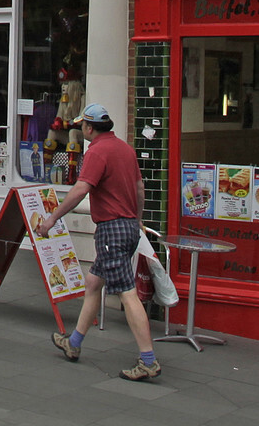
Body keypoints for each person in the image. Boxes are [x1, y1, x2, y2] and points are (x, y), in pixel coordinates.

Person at [38, 103, 161, 382]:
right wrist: (138, 219)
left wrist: (51, 219)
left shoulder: (96, 152)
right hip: (129, 227)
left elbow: (81, 189)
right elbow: (140, 187)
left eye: (82, 126)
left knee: (127, 293)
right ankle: (75, 343)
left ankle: (148, 360)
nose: (81, 130)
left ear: (89, 128)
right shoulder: (125, 149)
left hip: (111, 231)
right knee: (93, 283)